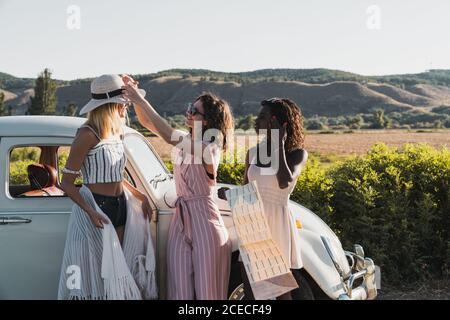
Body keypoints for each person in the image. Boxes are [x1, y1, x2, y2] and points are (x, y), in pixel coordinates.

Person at [122, 76, 233, 300]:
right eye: (189, 108)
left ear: (209, 121)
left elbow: (166, 135)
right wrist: (136, 96)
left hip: (206, 221)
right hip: (180, 221)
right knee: (178, 290)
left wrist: (139, 100)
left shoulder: (210, 148)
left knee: (208, 294)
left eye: (194, 110)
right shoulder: (187, 140)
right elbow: (149, 124)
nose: (189, 112)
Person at [58, 74, 157, 300]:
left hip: (120, 204)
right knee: (99, 271)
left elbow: (116, 175)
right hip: (96, 208)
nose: (126, 107)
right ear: (112, 105)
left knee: (119, 267)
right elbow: (66, 183)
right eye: (124, 103)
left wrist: (140, 196)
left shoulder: (117, 131)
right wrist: (91, 212)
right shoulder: (87, 134)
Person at [219, 97, 308, 300]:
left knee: (281, 295)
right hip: (253, 224)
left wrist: (278, 143)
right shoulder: (253, 153)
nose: (256, 121)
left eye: (262, 116)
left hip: (277, 227)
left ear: (277, 122)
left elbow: (284, 181)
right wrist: (229, 193)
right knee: (252, 296)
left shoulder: (297, 154)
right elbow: (247, 191)